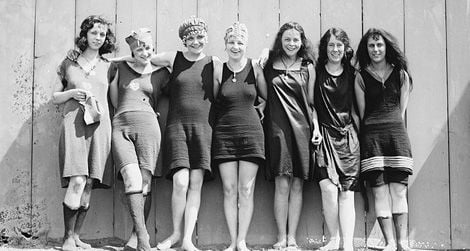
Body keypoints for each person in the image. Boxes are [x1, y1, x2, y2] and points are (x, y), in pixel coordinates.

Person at [123, 17, 215, 251]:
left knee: (195, 183)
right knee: (180, 181)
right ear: (184, 40)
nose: (196, 42)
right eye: (190, 38)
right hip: (177, 127)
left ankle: (186, 240)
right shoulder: (174, 58)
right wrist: (107, 61)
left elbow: (241, 70)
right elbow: (139, 57)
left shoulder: (215, 63)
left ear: (206, 37)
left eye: (200, 37)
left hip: (203, 128)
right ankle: (175, 234)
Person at [52, 15, 116, 251]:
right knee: (77, 179)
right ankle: (67, 238)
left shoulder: (110, 66)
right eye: (94, 33)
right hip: (74, 124)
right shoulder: (69, 63)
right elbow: (55, 97)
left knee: (89, 182)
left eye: (102, 34)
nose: (98, 38)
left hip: (100, 126)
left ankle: (77, 236)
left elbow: (115, 101)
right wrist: (71, 93)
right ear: (85, 35)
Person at [108, 28, 169, 251]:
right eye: (139, 48)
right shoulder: (120, 68)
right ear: (132, 51)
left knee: (144, 183)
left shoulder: (162, 73)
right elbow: (115, 101)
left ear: (154, 49)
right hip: (121, 125)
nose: (144, 52)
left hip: (149, 127)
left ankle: (135, 240)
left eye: (148, 48)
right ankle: (144, 239)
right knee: (131, 179)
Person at [263, 22, 322, 249]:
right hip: (277, 130)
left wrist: (315, 128)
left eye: (296, 40)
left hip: (302, 129)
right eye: (287, 39)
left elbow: (311, 103)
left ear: (302, 42)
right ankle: (280, 237)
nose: (291, 44)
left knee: (297, 185)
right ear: (281, 40)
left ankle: (292, 238)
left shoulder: (308, 67)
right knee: (282, 185)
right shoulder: (268, 65)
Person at [354, 28, 413, 251]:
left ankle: (402, 243)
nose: (376, 49)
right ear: (366, 49)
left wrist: (391, 123)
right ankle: (389, 243)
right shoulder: (361, 76)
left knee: (398, 191)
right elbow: (362, 113)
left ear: (387, 47)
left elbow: (401, 109)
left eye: (379, 45)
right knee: (379, 191)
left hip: (396, 137)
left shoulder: (400, 75)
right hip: (372, 139)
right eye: (371, 45)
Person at [212, 22, 267, 251]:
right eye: (232, 42)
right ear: (225, 45)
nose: (236, 46)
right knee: (229, 189)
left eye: (240, 42)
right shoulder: (218, 69)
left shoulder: (255, 67)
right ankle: (232, 241)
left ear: (246, 45)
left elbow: (266, 96)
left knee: (246, 190)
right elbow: (215, 100)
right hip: (224, 134)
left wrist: (263, 105)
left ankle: (242, 241)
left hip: (251, 134)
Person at [313, 28, 360, 251]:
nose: (335, 49)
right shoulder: (316, 71)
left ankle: (348, 244)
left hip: (347, 137)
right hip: (323, 136)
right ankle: (334, 239)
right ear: (325, 47)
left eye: (339, 45)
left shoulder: (353, 74)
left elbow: (358, 109)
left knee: (347, 192)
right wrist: (315, 128)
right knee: (329, 190)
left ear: (345, 48)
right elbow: (311, 105)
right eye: (331, 45)